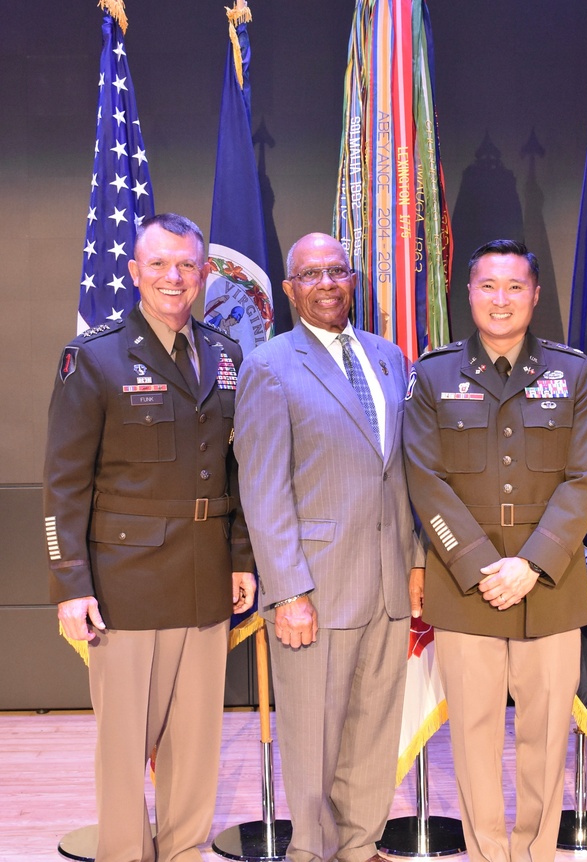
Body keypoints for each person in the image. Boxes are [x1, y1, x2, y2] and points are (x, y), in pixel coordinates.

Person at [43, 212, 256, 862]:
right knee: (124, 747)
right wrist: (69, 585)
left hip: (203, 576)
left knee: (195, 744)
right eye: (158, 264)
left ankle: (184, 850)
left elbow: (236, 465)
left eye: (185, 265)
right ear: (135, 272)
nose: (173, 277)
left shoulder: (225, 353)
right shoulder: (96, 356)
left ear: (202, 273)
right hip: (124, 583)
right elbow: (63, 483)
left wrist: (241, 558)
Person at [403, 239, 587, 862]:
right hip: (467, 589)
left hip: (550, 585)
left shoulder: (573, 373)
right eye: (488, 285)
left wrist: (532, 564)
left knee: (547, 740)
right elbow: (424, 478)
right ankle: (489, 853)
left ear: (535, 295)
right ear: (468, 293)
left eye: (514, 286)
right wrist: (479, 565)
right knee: (474, 739)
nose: (500, 299)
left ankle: (536, 853)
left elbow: (586, 478)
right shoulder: (433, 374)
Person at [233, 233, 423, 862]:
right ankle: (312, 852)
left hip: (388, 581)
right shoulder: (269, 366)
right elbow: (263, 490)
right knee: (313, 737)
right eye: (310, 274)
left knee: (373, 731)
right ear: (290, 289)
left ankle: (360, 845)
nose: (326, 283)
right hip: (313, 586)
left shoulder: (389, 357)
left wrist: (416, 563)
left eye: (337, 271)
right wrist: (287, 591)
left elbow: (403, 471)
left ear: (353, 280)